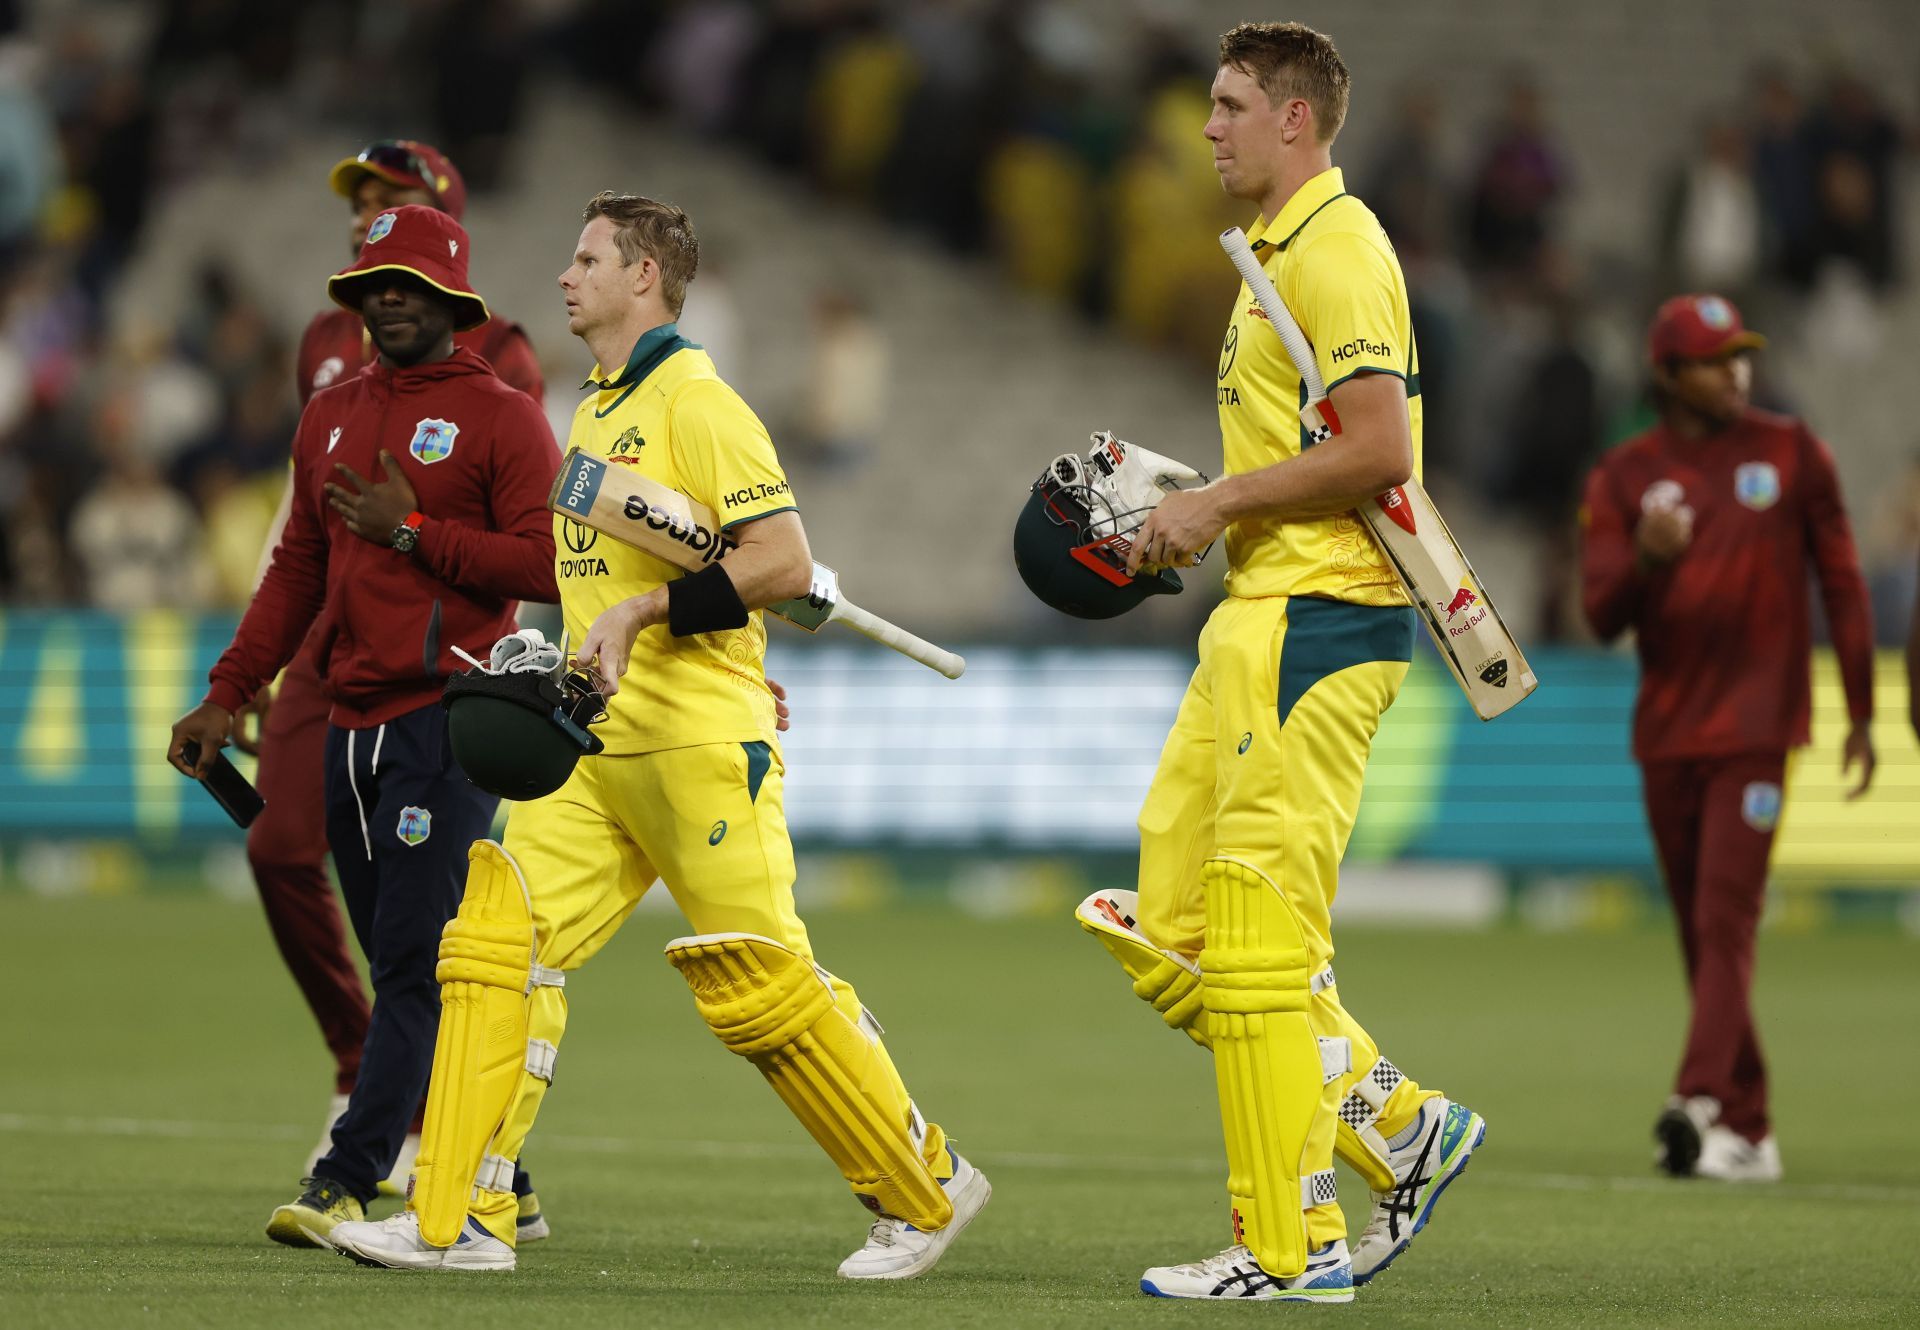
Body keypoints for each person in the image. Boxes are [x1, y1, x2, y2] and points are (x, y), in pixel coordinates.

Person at [326, 192, 989, 1277]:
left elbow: (776, 556)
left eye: (585, 258)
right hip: (594, 750)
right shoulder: (593, 411)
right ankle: (455, 1216)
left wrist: (647, 617)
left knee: (763, 982)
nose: (563, 276)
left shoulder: (696, 400)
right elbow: (616, 571)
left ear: (644, 277)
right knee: (495, 941)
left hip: (695, 745)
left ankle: (923, 1187)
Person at [1078, 22, 1484, 1303]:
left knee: (1252, 947)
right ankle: (1394, 1120)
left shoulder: (1343, 248)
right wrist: (1196, 503)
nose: (1208, 127)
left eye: (1230, 104)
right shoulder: (1277, 255)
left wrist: (1219, 503)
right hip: (1260, 611)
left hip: (1319, 622)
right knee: (1172, 923)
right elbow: (1311, 450)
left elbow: (1380, 451)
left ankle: (1289, 1244)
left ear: (1296, 121)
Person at [167, 205, 562, 1246]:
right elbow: (297, 567)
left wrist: (417, 532)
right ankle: (499, 1172)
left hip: (448, 716)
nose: (387, 297)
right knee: (413, 964)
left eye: (409, 283)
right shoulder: (330, 412)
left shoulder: (503, 414)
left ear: (451, 298)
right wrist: (227, 689)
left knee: (409, 961)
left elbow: (546, 561)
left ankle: (346, 1176)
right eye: (372, 283)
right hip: (349, 719)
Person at [1580, 293, 1876, 1182]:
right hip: (1669, 732)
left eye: (1740, 355)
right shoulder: (1624, 478)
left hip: (1759, 729)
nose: (1735, 372)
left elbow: (1845, 583)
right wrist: (1648, 558)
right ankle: (1748, 1127)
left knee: (1725, 918)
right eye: (1713, 360)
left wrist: (1863, 711)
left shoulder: (1792, 452)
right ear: (1667, 375)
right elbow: (1599, 614)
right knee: (1699, 931)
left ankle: (1696, 1099)